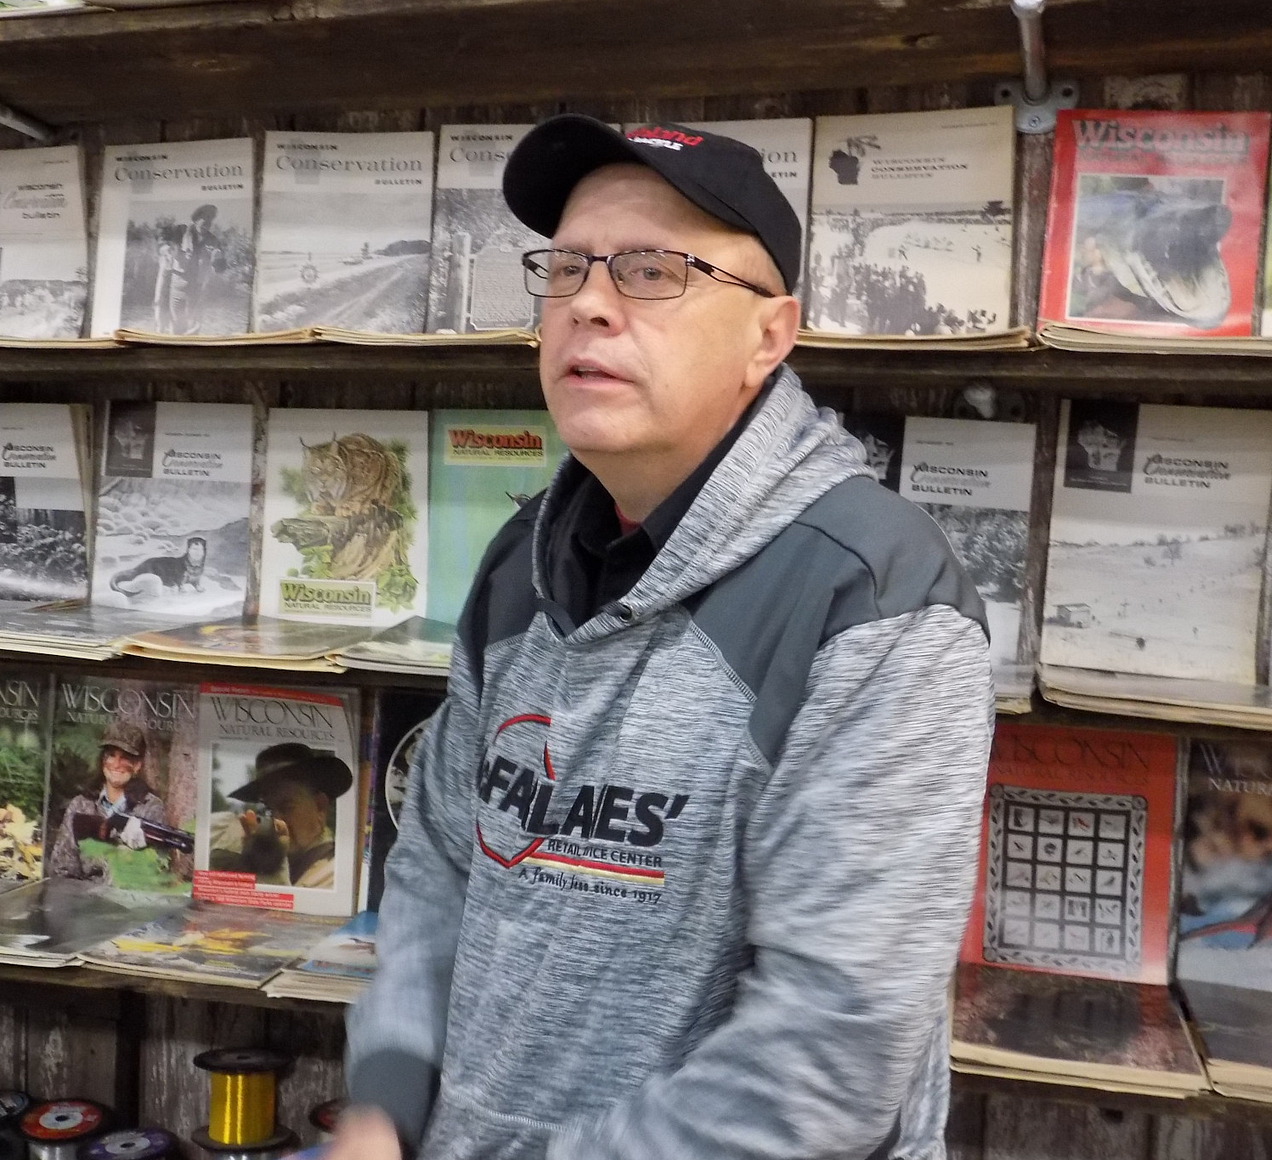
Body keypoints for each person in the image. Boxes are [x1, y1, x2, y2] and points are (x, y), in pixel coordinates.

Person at [336, 117, 994, 1160]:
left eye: (651, 269)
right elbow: (439, 868)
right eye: (565, 268)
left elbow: (831, 1047)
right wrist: (382, 1102)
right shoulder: (521, 561)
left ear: (769, 336)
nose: (587, 302)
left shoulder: (875, 591)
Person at [209, 742, 350, 889]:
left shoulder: (335, 875)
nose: (276, 821)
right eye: (269, 810)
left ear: (320, 806)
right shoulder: (275, 862)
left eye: (286, 807)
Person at [47, 720, 171, 881]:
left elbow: (157, 870)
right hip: (83, 899)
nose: (116, 764)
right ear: (102, 760)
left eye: (125, 757)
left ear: (137, 765)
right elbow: (61, 868)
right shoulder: (80, 805)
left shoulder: (150, 808)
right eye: (111, 755)